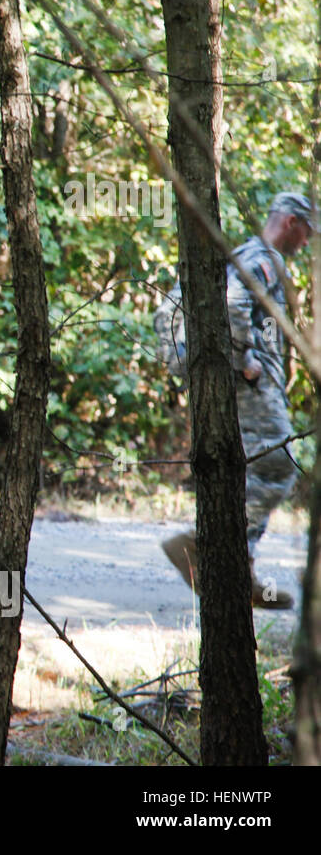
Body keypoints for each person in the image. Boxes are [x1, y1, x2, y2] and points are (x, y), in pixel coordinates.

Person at [161, 191, 314, 610]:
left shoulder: (250, 253)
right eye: (306, 232)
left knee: (247, 467)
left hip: (238, 381)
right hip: (249, 384)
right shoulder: (263, 259)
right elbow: (233, 303)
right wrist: (246, 359)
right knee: (278, 461)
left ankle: (236, 573)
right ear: (290, 223)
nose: (306, 243)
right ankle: (207, 547)